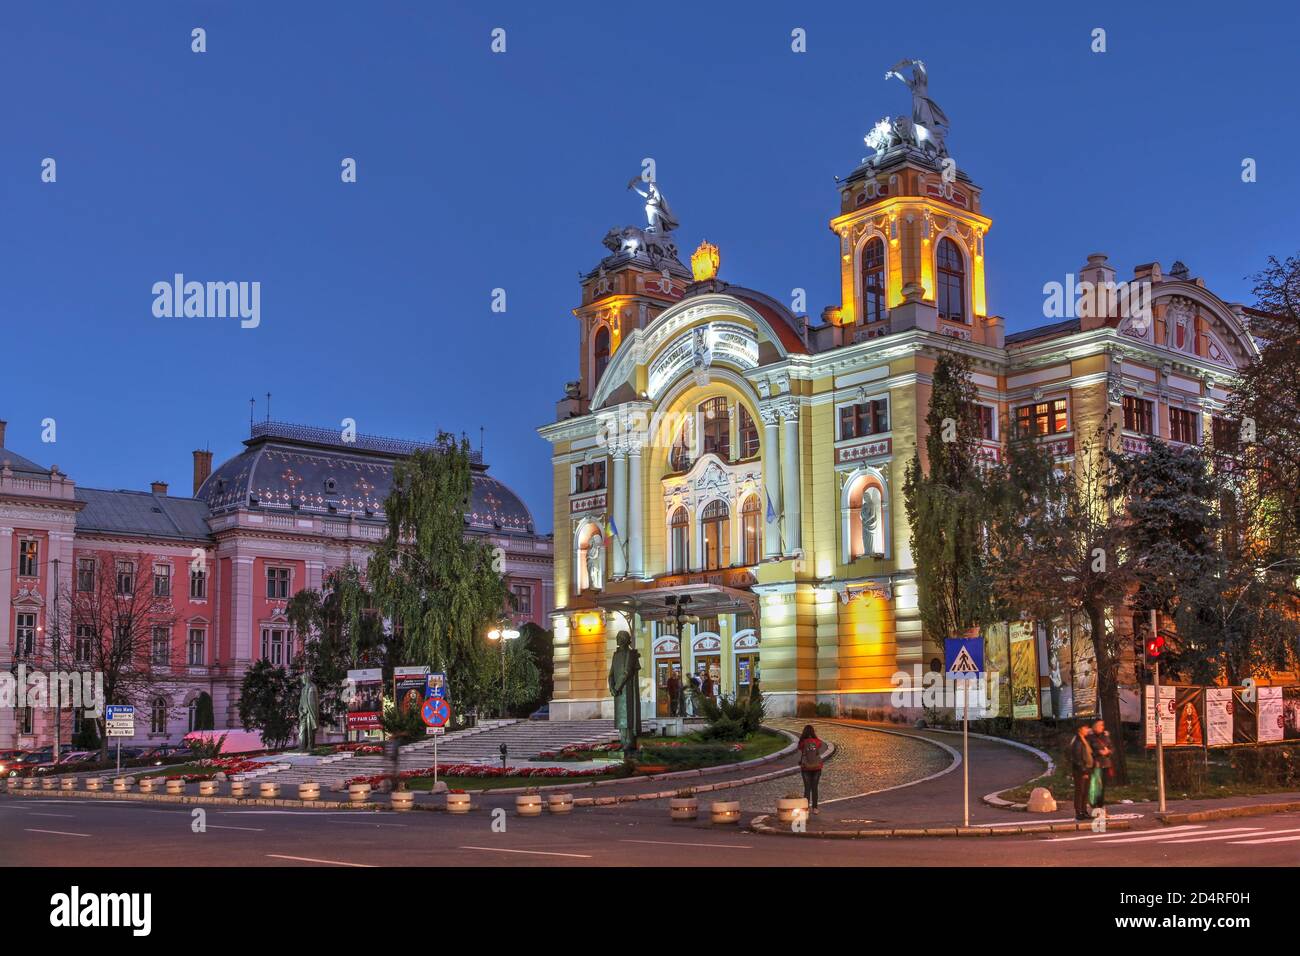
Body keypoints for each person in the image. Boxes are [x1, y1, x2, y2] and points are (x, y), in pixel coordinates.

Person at [1067, 723, 1095, 820]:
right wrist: (1084, 771)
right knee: (1080, 791)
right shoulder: (1078, 742)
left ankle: (1084, 811)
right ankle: (1078, 812)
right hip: (1080, 771)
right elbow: (1077, 759)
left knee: (1085, 791)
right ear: (1080, 729)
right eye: (1085, 728)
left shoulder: (1084, 740)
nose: (1087, 729)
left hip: (1087, 769)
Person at [798, 725, 824, 813]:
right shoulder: (817, 741)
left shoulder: (802, 742)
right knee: (814, 788)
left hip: (805, 767)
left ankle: (806, 808)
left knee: (807, 788)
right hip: (817, 767)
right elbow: (820, 745)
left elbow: (800, 748)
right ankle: (815, 808)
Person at [1089, 719, 1114, 810]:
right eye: (1100, 725)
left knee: (1103, 785)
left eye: (1102, 725)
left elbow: (1111, 747)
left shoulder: (1105, 736)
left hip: (1105, 764)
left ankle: (1100, 805)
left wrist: (1108, 752)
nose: (1102, 727)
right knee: (1095, 785)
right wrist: (1098, 752)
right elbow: (1088, 751)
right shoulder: (1090, 737)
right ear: (1095, 726)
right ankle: (1094, 805)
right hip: (1096, 764)